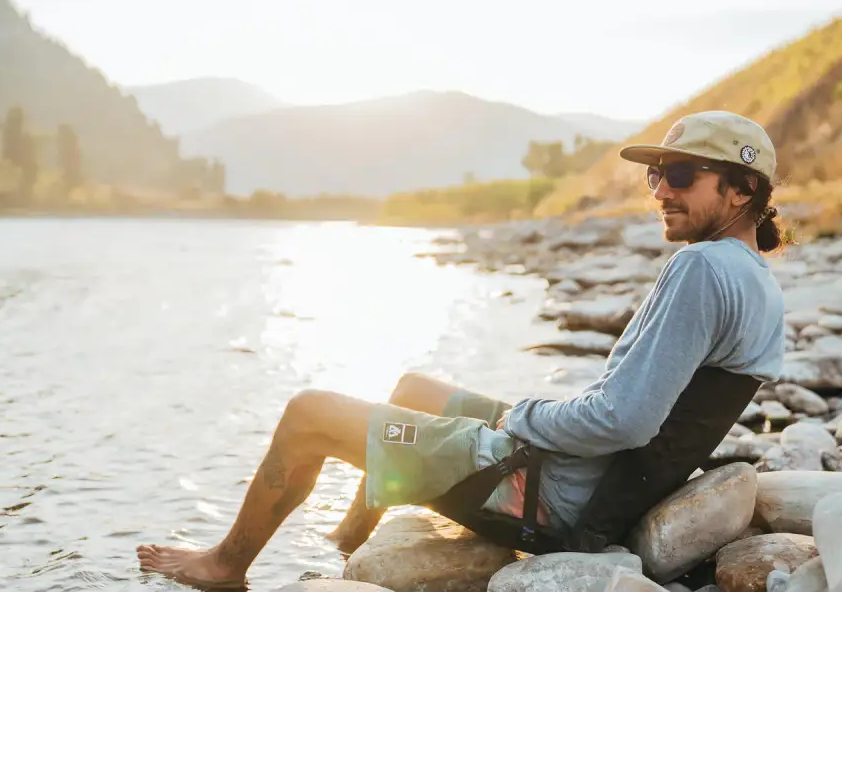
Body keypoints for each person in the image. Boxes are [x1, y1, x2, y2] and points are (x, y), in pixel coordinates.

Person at [136, 110, 787, 592]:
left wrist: (520, 419)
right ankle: (349, 546)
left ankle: (227, 565)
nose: (659, 191)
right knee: (414, 388)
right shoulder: (757, 281)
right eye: (654, 176)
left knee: (310, 412)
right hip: (590, 478)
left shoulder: (702, 268)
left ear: (741, 189)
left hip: (550, 495)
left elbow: (626, 420)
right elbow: (642, 421)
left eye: (678, 175)